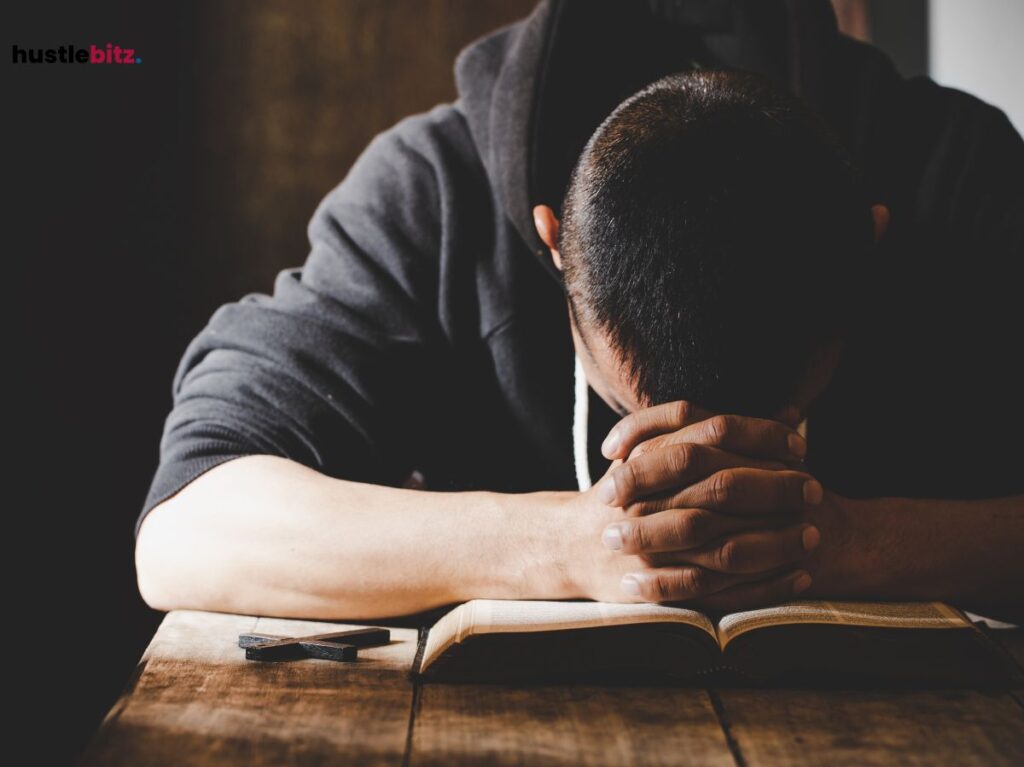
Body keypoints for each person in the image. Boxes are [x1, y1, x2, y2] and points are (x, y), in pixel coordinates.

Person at [134, 0, 1023, 622]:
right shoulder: (432, 195)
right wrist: (577, 542)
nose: (698, 460)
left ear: (870, 244)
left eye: (767, 420)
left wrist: (847, 543)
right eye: (648, 414)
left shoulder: (961, 182)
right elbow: (187, 527)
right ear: (554, 247)